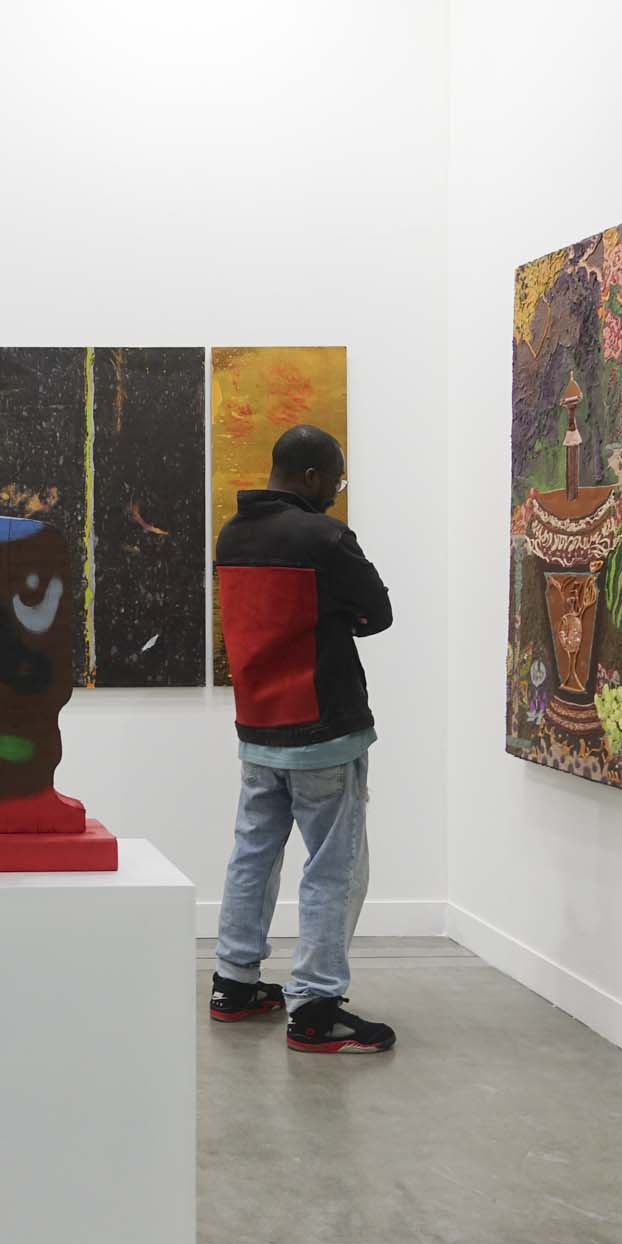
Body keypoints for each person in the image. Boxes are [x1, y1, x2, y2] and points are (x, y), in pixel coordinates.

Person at [209, 424, 396, 1054]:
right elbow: (378, 613)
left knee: (253, 855)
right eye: (335, 482)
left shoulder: (232, 536)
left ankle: (234, 984)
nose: (336, 493)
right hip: (323, 733)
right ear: (312, 476)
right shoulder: (324, 537)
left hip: (259, 728)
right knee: (333, 867)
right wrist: (335, 615)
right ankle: (314, 1007)